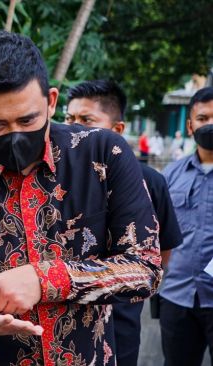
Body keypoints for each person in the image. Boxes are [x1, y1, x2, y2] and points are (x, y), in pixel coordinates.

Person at [0, 31, 162, 365]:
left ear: (51, 101)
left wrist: (46, 279)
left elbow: (145, 268)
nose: (14, 136)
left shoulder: (103, 154)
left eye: (28, 119)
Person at [65, 79, 183, 366]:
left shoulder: (150, 181)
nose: (74, 127)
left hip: (120, 321)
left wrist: (132, 284)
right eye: (69, 118)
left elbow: (162, 250)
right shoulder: (56, 178)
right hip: (64, 319)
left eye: (86, 120)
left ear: (117, 129)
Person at [160, 86, 213, 366]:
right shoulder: (170, 175)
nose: (210, 125)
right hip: (177, 295)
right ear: (191, 125)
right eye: (203, 118)